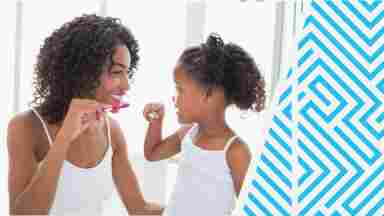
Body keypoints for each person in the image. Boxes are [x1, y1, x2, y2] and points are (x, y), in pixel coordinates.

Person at [7, 14, 163, 215]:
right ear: (83, 72)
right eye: (116, 72)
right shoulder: (26, 127)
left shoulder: (112, 131)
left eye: (127, 72)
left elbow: (140, 209)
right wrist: (64, 138)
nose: (126, 85)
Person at [142, 33, 266, 215]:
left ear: (208, 94)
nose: (174, 98)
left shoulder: (235, 151)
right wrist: (156, 122)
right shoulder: (189, 133)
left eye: (180, 89)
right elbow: (152, 154)